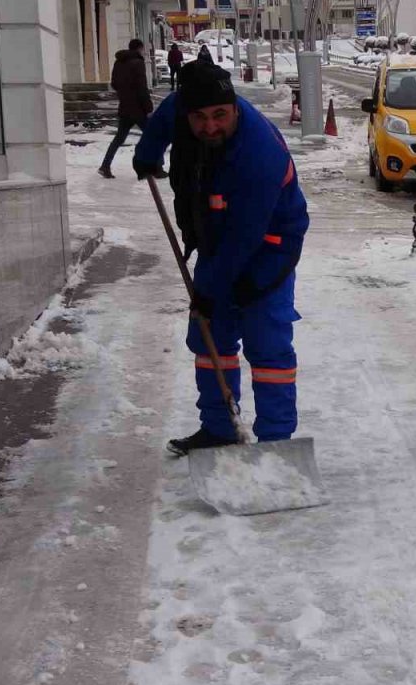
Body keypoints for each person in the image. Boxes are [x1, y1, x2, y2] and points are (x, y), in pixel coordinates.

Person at [132, 61, 310, 456]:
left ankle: (276, 442)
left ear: (233, 108)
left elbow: (244, 238)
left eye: (219, 116)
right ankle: (219, 428)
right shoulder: (185, 106)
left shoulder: (259, 153)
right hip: (218, 236)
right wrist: (147, 153)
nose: (209, 126)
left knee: (267, 343)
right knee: (209, 336)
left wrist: (209, 289)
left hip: (270, 244)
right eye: (199, 117)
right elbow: (166, 115)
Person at [99, 39, 157, 179]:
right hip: (138, 109)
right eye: (142, 49)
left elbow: (114, 83)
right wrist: (148, 107)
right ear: (139, 48)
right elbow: (142, 88)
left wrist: (125, 92)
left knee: (119, 139)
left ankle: (105, 166)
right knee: (153, 136)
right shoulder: (138, 63)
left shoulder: (119, 62)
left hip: (125, 107)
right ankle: (156, 168)